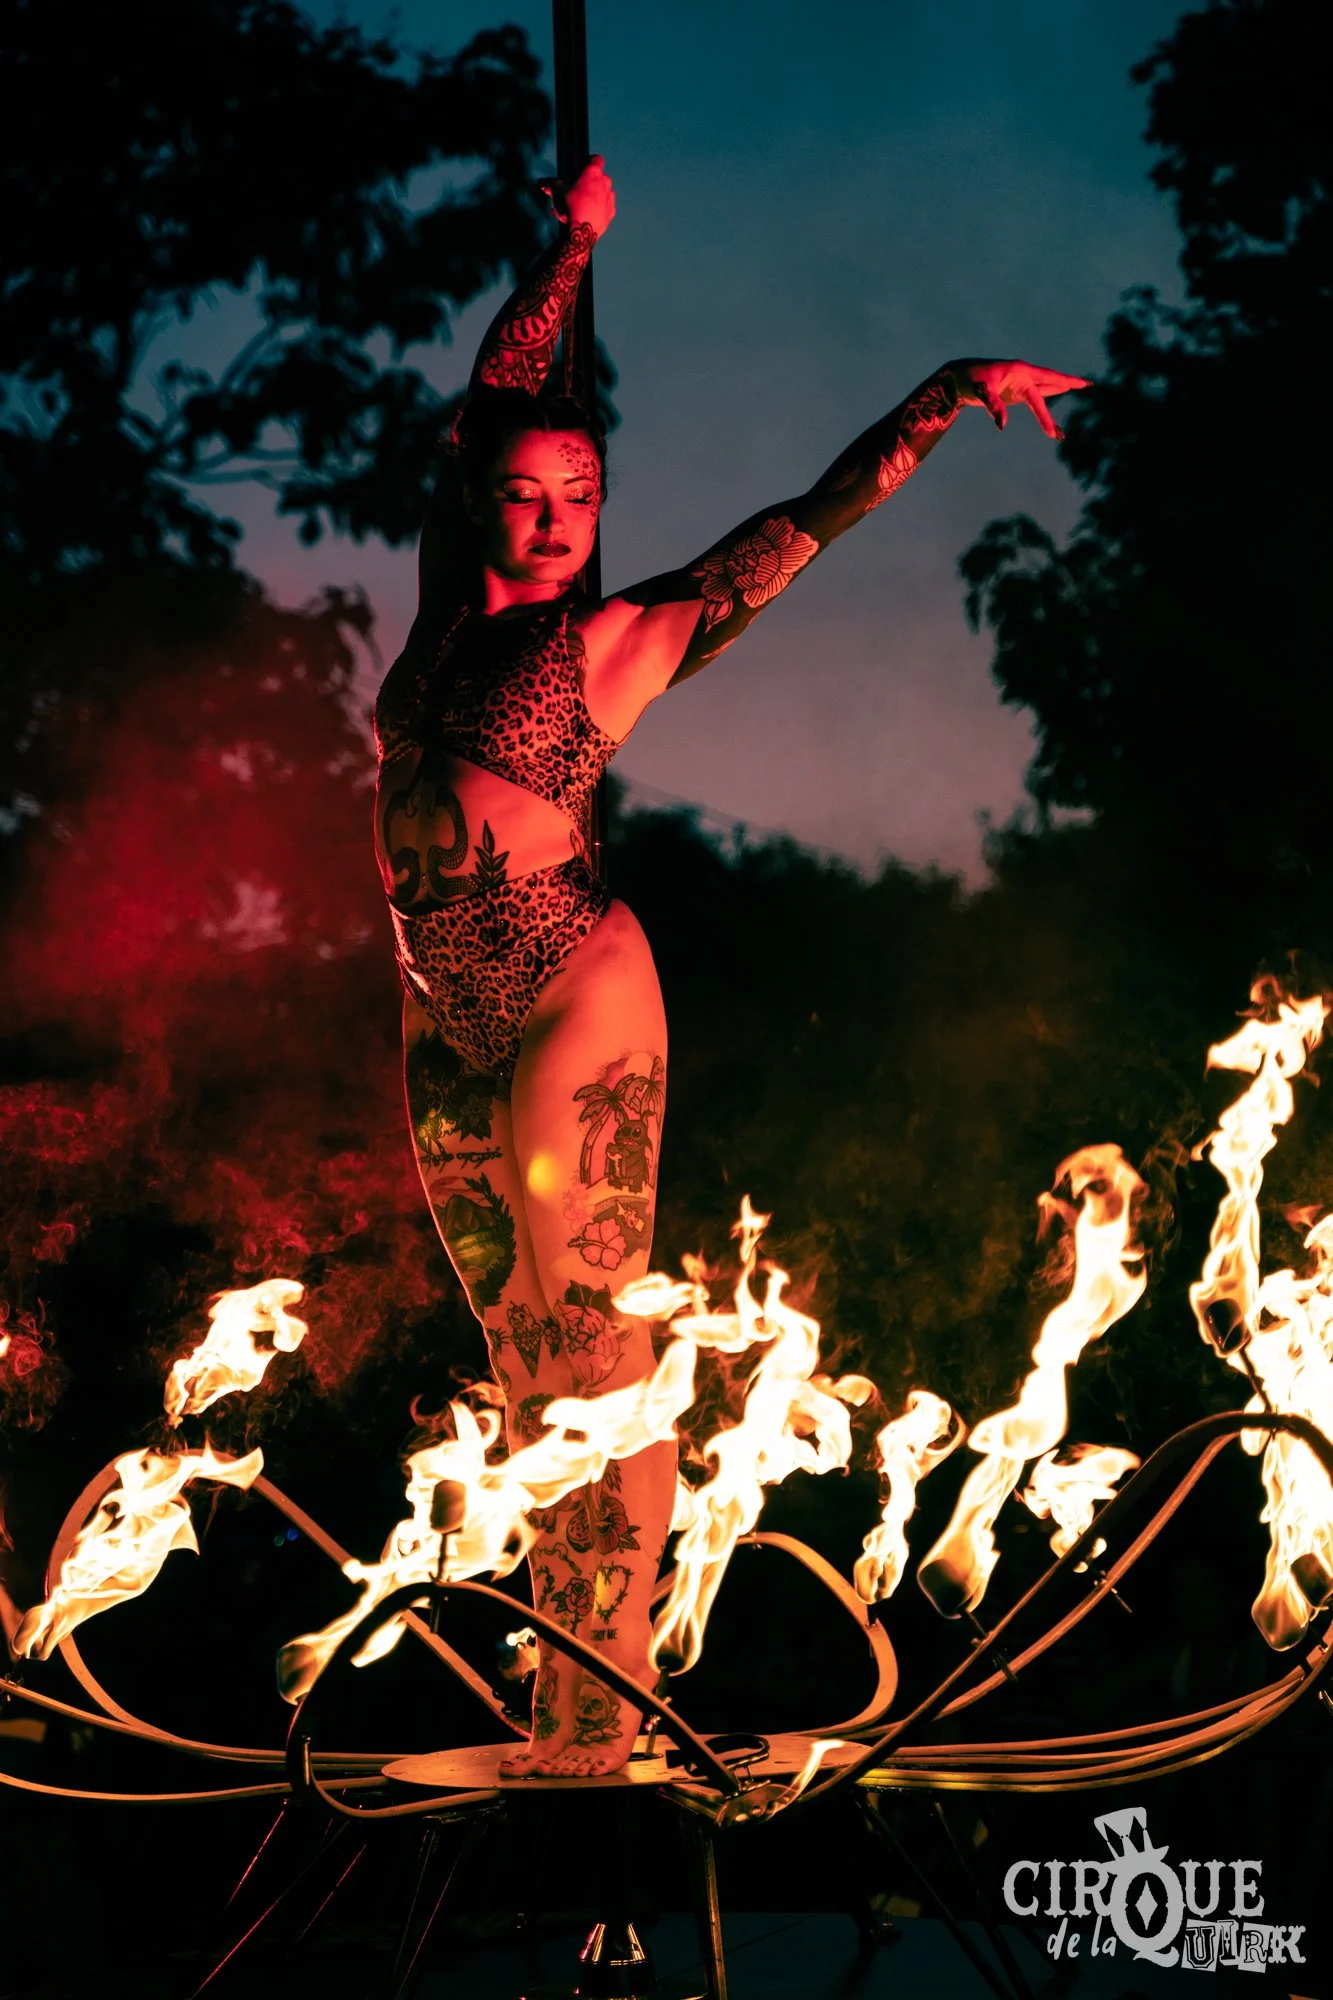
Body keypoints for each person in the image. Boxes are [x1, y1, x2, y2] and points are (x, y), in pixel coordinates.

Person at [374, 157, 1085, 1777]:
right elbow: (496, 386)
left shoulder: (606, 647)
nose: (559, 523)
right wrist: (571, 244)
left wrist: (943, 392)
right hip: (443, 1021)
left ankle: (602, 1723)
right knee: (520, 1367)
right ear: (478, 496)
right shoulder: (437, 623)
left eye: (584, 497)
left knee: (596, 1351)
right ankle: (566, 1695)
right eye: (530, 494)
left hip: (571, 994)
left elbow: (799, 527)